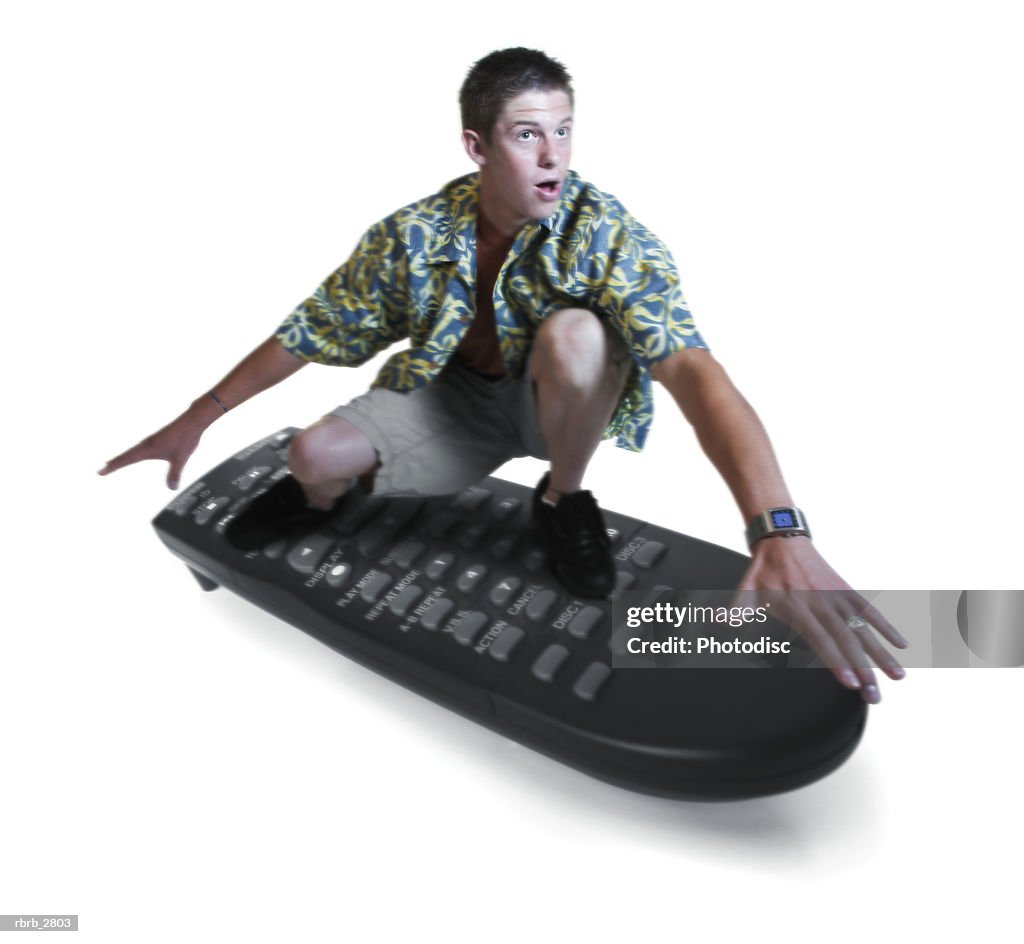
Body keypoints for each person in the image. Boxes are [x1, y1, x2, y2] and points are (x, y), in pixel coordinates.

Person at [99, 47, 907, 703]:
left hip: (560, 413)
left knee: (579, 333)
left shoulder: (609, 234)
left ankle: (563, 498)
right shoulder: (413, 235)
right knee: (311, 457)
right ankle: (319, 500)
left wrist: (779, 529)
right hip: (455, 407)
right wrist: (198, 415)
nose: (554, 156)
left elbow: (694, 369)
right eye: (528, 135)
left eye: (565, 131)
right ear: (478, 145)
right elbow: (311, 330)